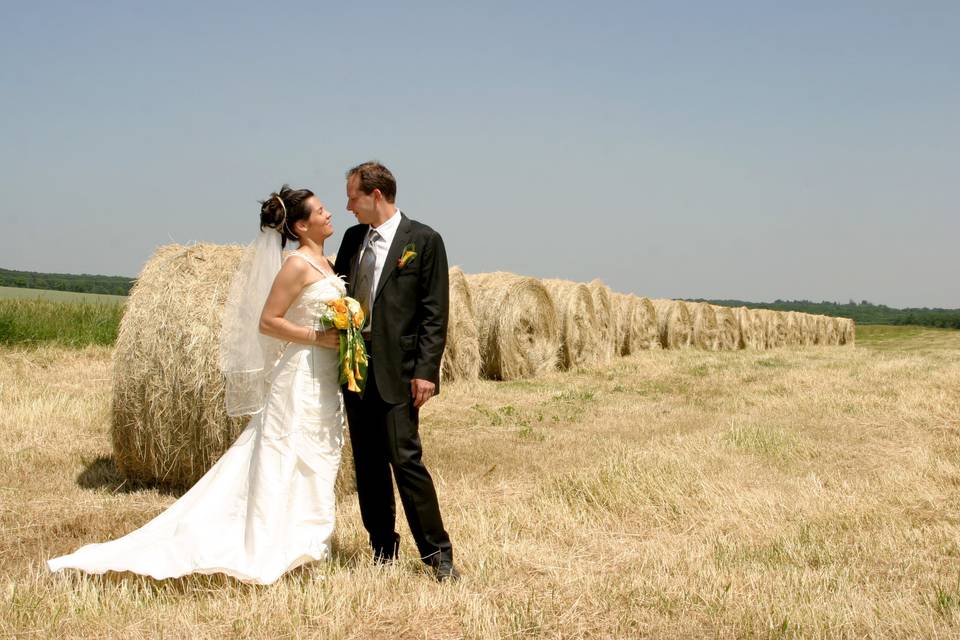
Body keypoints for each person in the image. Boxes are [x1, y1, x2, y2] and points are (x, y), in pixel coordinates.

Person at [47, 186, 346, 585]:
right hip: (300, 374)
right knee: (286, 453)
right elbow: (267, 321)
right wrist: (315, 336)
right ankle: (271, 542)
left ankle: (310, 540)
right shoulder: (295, 265)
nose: (329, 214)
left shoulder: (326, 262)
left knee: (319, 452)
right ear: (300, 224)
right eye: (321, 210)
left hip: (325, 375)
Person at [334, 161, 458, 581]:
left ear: (376, 196)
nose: (348, 206)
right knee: (367, 464)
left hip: (399, 371)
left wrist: (426, 371)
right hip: (356, 367)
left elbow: (434, 313)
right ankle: (381, 547)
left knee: (406, 461)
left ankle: (438, 556)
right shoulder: (353, 239)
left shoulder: (423, 241)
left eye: (353, 197)